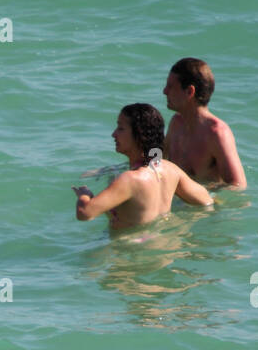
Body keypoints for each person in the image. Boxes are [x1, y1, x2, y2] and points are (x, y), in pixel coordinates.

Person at [74, 103, 213, 231]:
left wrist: (85, 195)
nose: (114, 134)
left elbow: (85, 213)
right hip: (164, 250)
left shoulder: (129, 180)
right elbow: (206, 200)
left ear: (139, 134)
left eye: (121, 128)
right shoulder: (170, 169)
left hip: (128, 252)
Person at [162, 57, 246, 188]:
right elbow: (159, 158)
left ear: (190, 91)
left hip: (199, 206)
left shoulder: (217, 133)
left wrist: (199, 195)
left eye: (170, 86)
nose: (165, 91)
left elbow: (238, 186)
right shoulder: (176, 123)